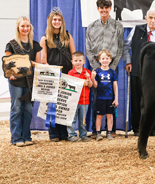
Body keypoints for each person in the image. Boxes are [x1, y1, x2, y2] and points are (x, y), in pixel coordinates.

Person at [123, 8, 155, 136]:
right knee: (137, 100)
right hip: (138, 71)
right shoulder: (137, 30)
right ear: (146, 18)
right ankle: (138, 129)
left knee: (154, 101)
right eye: (151, 18)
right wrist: (128, 62)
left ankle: (153, 128)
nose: (153, 21)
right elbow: (126, 46)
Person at [86, 0, 124, 138]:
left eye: (106, 8)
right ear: (98, 9)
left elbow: (120, 48)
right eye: (101, 8)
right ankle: (96, 131)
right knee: (97, 97)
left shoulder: (117, 26)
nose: (104, 10)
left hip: (112, 66)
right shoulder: (91, 27)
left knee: (112, 97)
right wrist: (96, 67)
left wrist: (112, 66)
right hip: (96, 66)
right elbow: (88, 48)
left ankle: (111, 130)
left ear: (110, 8)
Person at [5, 17, 42, 147]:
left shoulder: (35, 45)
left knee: (27, 109)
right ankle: (16, 138)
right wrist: (10, 75)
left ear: (30, 28)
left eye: (27, 26)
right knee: (16, 108)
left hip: (29, 81)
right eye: (22, 26)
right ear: (18, 28)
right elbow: (7, 63)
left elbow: (37, 64)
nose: (25, 29)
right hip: (16, 81)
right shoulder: (11, 44)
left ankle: (26, 136)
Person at [40, 8, 75, 141]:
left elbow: (73, 55)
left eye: (59, 19)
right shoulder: (45, 38)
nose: (57, 21)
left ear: (62, 22)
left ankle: (64, 133)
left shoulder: (67, 36)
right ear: (50, 21)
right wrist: (49, 70)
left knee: (64, 102)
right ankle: (53, 133)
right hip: (53, 75)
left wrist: (73, 73)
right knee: (52, 104)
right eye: (54, 19)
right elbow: (44, 59)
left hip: (66, 73)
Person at [91, 50, 119, 141]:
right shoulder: (97, 71)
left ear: (110, 60)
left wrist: (116, 99)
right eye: (103, 58)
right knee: (99, 116)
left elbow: (115, 86)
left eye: (107, 58)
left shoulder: (112, 72)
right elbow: (95, 85)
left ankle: (109, 132)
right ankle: (98, 133)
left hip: (110, 98)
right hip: (100, 98)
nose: (105, 60)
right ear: (99, 60)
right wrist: (92, 77)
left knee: (110, 116)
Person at [67, 51, 93, 142]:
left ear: (84, 61)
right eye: (76, 60)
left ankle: (83, 135)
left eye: (80, 60)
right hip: (73, 101)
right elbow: (70, 85)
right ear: (72, 62)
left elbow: (90, 85)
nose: (78, 62)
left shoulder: (87, 72)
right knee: (72, 119)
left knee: (83, 121)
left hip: (84, 101)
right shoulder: (70, 73)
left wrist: (88, 78)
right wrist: (82, 83)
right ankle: (71, 135)